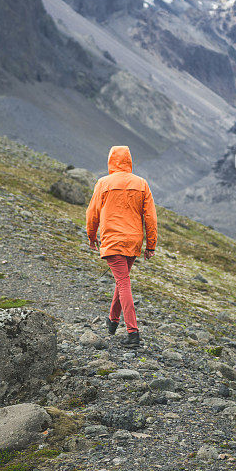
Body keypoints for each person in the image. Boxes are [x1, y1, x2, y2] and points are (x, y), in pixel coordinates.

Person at [86, 145, 157, 347]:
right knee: (122, 280)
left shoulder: (103, 183)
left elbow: (92, 214)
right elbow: (151, 217)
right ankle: (113, 321)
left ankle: (133, 333)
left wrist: (92, 236)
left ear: (111, 160)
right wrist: (150, 245)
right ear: (129, 160)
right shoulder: (142, 184)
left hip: (113, 240)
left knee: (123, 283)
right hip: (133, 242)